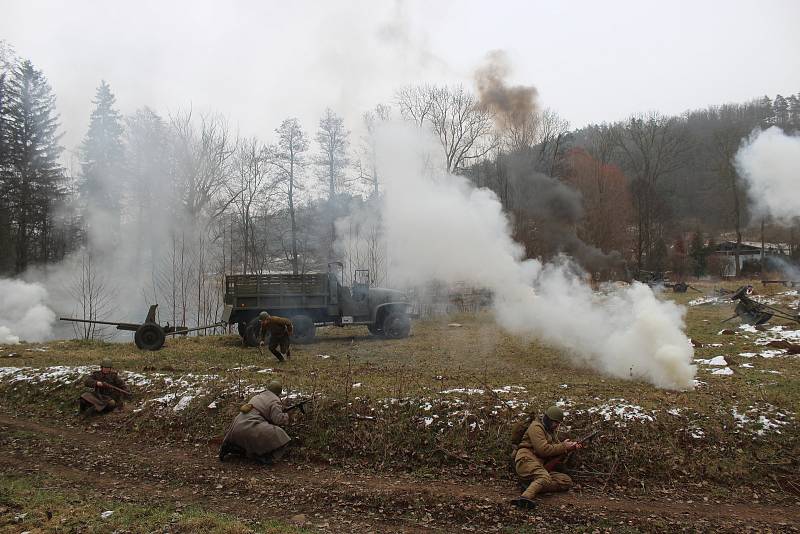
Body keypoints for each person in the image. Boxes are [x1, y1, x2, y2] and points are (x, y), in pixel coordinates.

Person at [511, 406, 582, 510]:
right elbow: (543, 450)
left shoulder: (550, 431)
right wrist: (563, 446)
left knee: (566, 481)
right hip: (526, 461)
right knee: (544, 477)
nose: (557, 426)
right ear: (548, 419)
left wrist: (570, 448)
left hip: (539, 465)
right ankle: (525, 497)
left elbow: (556, 451)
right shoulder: (536, 427)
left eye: (558, 423)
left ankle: (533, 485)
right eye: (555, 422)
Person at [218, 380, 291, 465]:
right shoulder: (275, 401)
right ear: (279, 392)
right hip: (251, 427)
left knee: (246, 439)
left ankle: (230, 447)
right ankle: (266, 457)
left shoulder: (257, 396)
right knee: (282, 436)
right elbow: (278, 420)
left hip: (235, 428)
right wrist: (287, 415)